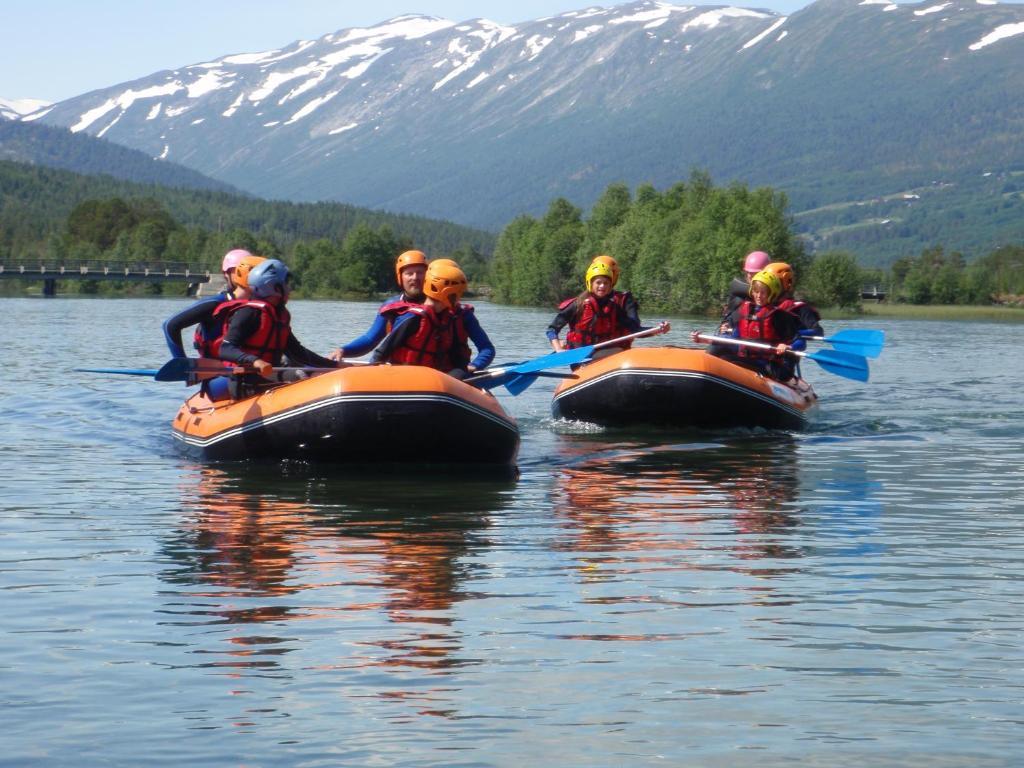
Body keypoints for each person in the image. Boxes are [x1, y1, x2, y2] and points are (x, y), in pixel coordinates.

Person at [211, 259, 339, 398]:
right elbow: (225, 349)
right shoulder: (248, 313)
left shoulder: (278, 315)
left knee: (311, 372)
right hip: (246, 382)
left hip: (270, 376)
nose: (289, 289)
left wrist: (334, 366)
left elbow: (298, 353)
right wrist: (254, 361)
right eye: (286, 284)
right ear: (275, 288)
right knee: (300, 375)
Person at [370, 260, 494, 378]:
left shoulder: (452, 317)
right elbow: (381, 353)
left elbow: (484, 350)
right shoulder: (412, 318)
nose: (458, 298)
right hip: (406, 375)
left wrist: (474, 366)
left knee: (459, 372)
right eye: (456, 293)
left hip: (444, 378)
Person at [329, 250, 428, 361]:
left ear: (427, 276)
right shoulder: (391, 306)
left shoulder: (439, 306)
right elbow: (371, 339)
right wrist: (343, 350)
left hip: (432, 373)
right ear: (401, 277)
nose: (415, 277)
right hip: (397, 371)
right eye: (409, 274)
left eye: (420, 272)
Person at [706, 268, 801, 382]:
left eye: (763, 292)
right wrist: (722, 336)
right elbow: (736, 336)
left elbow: (799, 341)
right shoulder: (744, 309)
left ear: (772, 293)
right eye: (756, 291)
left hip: (767, 363)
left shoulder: (779, 316)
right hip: (746, 357)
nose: (759, 296)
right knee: (717, 344)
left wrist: (788, 347)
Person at [162, 249, 260, 358]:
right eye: (238, 270)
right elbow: (170, 325)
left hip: (249, 366)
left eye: (252, 270)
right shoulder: (214, 304)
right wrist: (181, 363)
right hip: (214, 368)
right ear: (226, 274)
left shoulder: (261, 306)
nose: (248, 274)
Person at [547, 260, 642, 356]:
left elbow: (632, 327)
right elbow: (552, 330)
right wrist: (558, 348)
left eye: (606, 283)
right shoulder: (577, 304)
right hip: (580, 355)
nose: (602, 286)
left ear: (610, 285)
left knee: (620, 350)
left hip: (602, 353)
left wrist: (653, 330)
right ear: (591, 283)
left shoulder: (614, 307)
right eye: (598, 282)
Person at [765, 261, 824, 338]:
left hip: (787, 347)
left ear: (786, 283)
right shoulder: (762, 305)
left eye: (771, 283)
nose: (767, 287)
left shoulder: (801, 308)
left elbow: (818, 331)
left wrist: (793, 333)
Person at [720, 250, 772, 332]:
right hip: (733, 331)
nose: (749, 276)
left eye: (754, 273)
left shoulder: (775, 292)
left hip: (758, 334)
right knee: (739, 301)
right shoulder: (738, 286)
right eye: (748, 272)